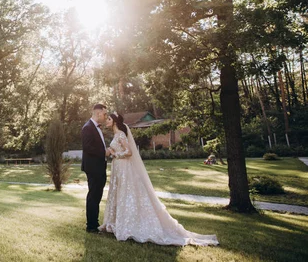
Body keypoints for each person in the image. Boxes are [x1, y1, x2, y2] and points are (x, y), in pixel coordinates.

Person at [100, 112, 219, 246]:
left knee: (126, 194)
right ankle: (116, 222)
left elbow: (129, 152)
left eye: (109, 119)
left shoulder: (121, 134)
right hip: (118, 169)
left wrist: (116, 154)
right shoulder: (116, 135)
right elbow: (112, 150)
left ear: (115, 121)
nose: (106, 121)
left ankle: (128, 224)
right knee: (119, 194)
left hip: (124, 168)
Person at [81, 103, 108, 233]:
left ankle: (95, 223)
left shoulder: (97, 128)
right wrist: (104, 153)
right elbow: (88, 148)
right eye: (104, 114)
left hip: (100, 167)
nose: (105, 116)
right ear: (98, 113)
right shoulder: (87, 128)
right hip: (93, 168)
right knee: (93, 196)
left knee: (97, 196)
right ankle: (91, 226)